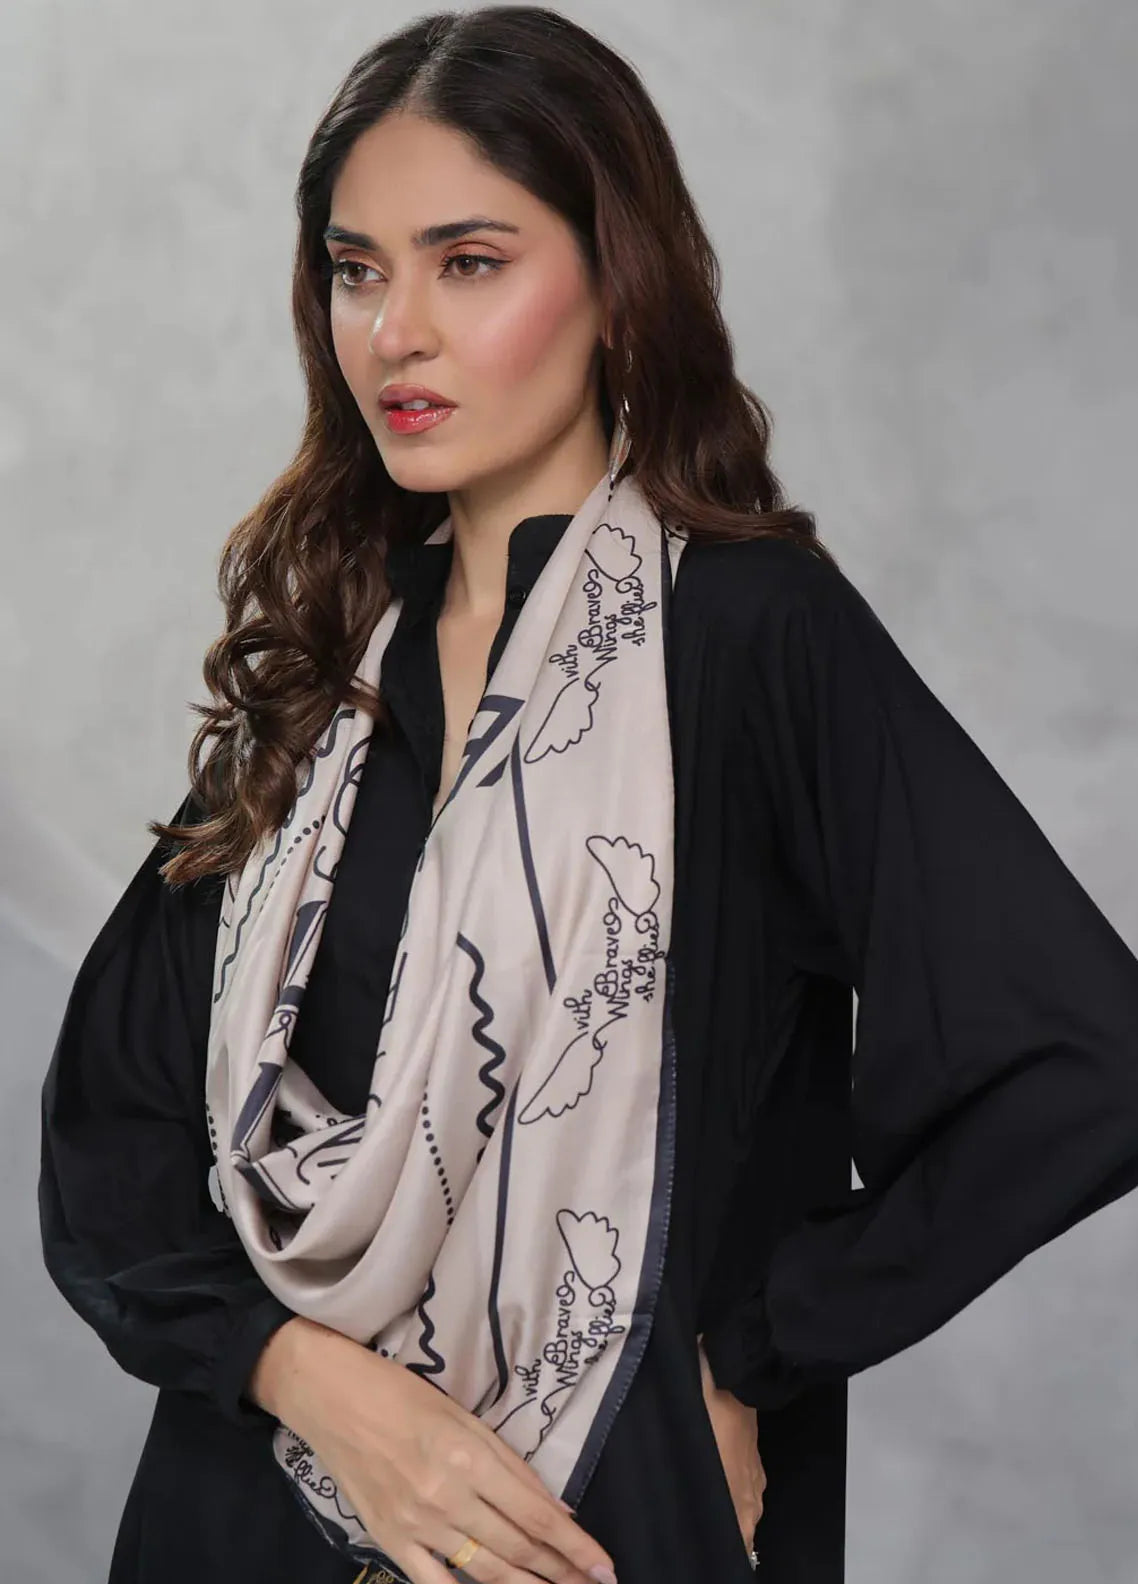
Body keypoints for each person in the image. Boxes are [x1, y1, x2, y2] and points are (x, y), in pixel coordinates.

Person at [36, 8, 1138, 1584]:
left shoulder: (745, 640)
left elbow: (1082, 1062)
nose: (394, 331)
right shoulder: (332, 661)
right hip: (249, 1512)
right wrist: (317, 1383)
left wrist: (754, 1353)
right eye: (357, 270)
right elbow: (112, 1135)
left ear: (617, 286)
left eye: (468, 263)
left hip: (597, 1522)